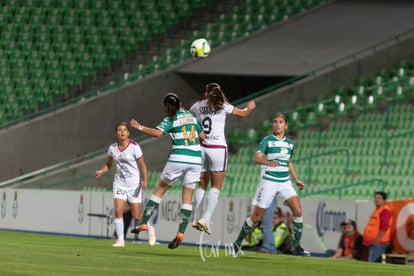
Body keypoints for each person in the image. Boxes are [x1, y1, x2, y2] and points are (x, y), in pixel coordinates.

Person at [129, 93, 205, 249]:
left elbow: (157, 133)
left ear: (166, 107)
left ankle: (144, 223)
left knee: (159, 191)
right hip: (196, 159)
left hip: (179, 157)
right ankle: (181, 233)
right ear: (180, 102)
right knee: (187, 198)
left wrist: (139, 127)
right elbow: (202, 136)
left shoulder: (170, 119)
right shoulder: (191, 116)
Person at [232, 113, 310, 257]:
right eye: (275, 122)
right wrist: (268, 163)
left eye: (280, 122)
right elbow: (257, 158)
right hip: (269, 181)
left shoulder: (290, 144)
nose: (277, 124)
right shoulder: (267, 140)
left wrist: (296, 179)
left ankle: (297, 246)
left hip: (285, 182)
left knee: (298, 211)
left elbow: (289, 162)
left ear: (285, 125)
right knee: (256, 218)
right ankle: (237, 242)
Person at [189, 83, 256, 235]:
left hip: (202, 148)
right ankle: (205, 218)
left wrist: (198, 129)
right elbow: (243, 113)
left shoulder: (197, 106)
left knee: (201, 185)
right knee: (216, 187)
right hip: (218, 149)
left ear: (206, 93)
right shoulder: (222, 105)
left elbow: (188, 118)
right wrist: (250, 107)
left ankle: (196, 217)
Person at [95, 122, 155, 247]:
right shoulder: (112, 148)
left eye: (124, 130)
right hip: (119, 183)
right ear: (116, 133)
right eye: (119, 130)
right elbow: (109, 165)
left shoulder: (134, 147)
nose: (122, 132)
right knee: (118, 211)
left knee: (137, 215)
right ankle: (121, 240)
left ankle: (150, 229)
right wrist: (101, 171)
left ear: (128, 133)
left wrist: (146, 180)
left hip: (134, 184)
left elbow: (143, 165)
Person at [363, 191, 393, 262]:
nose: (377, 199)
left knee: (372, 263)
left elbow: (384, 227)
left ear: (384, 200)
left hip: (378, 243)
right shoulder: (376, 210)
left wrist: (377, 240)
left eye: (379, 198)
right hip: (372, 242)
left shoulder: (385, 211)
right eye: (376, 198)